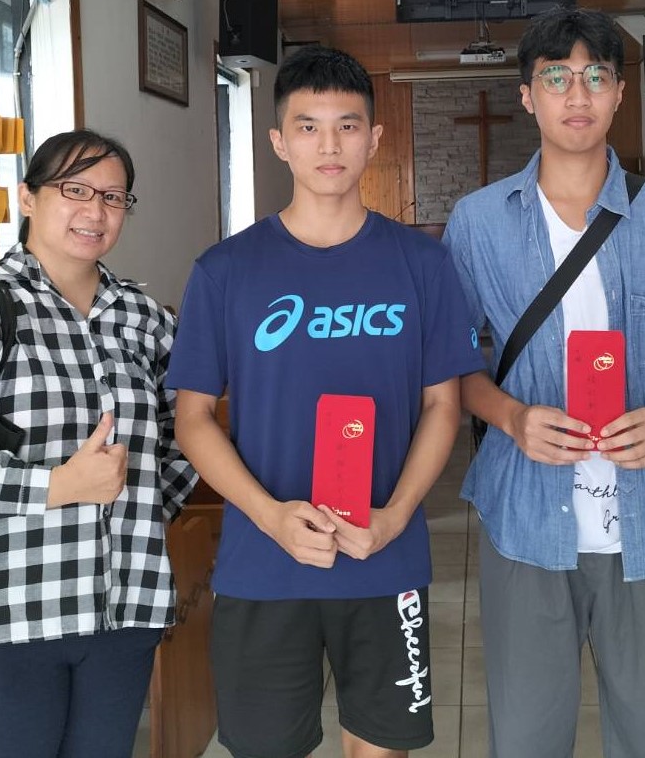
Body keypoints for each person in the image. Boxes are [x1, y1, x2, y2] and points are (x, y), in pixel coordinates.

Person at [168, 45, 484, 758]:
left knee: (382, 746)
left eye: (347, 125)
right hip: (263, 561)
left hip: (384, 556)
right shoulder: (225, 270)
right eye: (308, 127)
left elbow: (444, 406)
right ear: (279, 142)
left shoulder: (423, 264)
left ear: (375, 138)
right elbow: (192, 419)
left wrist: (395, 516)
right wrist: (270, 516)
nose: (329, 145)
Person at [443, 6, 645, 757]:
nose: (577, 95)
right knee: (526, 736)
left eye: (596, 77)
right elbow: (449, 362)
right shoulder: (479, 222)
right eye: (557, 78)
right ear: (527, 95)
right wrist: (511, 417)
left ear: (619, 93)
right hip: (525, 517)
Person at [0, 129, 196, 758]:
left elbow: (190, 427)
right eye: (74, 190)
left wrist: (143, 505)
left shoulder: (143, 318)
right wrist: (58, 486)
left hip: (119, 615)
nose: (95, 211)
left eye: (113, 197)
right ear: (28, 198)